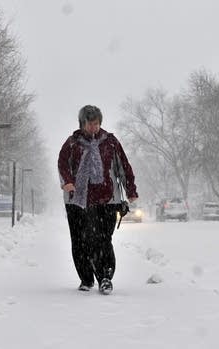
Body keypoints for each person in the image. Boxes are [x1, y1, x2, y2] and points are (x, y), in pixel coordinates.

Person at [58, 105, 138, 295]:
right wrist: (67, 182)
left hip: (107, 199)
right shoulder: (72, 143)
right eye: (90, 124)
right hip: (78, 200)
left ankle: (105, 277)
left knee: (102, 239)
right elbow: (62, 164)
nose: (94, 127)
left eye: (96, 123)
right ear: (82, 123)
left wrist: (131, 190)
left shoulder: (110, 142)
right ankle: (86, 278)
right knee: (79, 241)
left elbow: (123, 166)